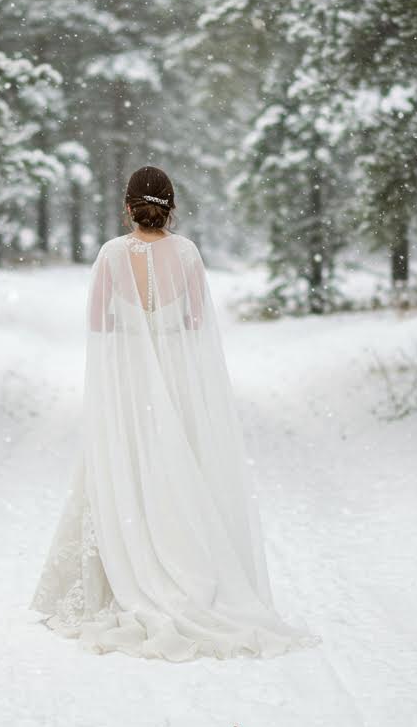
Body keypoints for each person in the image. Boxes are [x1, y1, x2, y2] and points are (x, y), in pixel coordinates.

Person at [29, 165, 319, 661]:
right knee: (175, 468)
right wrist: (161, 325)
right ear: (171, 205)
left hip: (130, 384)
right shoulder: (186, 255)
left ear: (128, 206)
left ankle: (128, 569)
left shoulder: (112, 255)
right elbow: (195, 321)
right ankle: (184, 561)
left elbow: (99, 322)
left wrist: (132, 330)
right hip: (173, 380)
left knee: (128, 466)